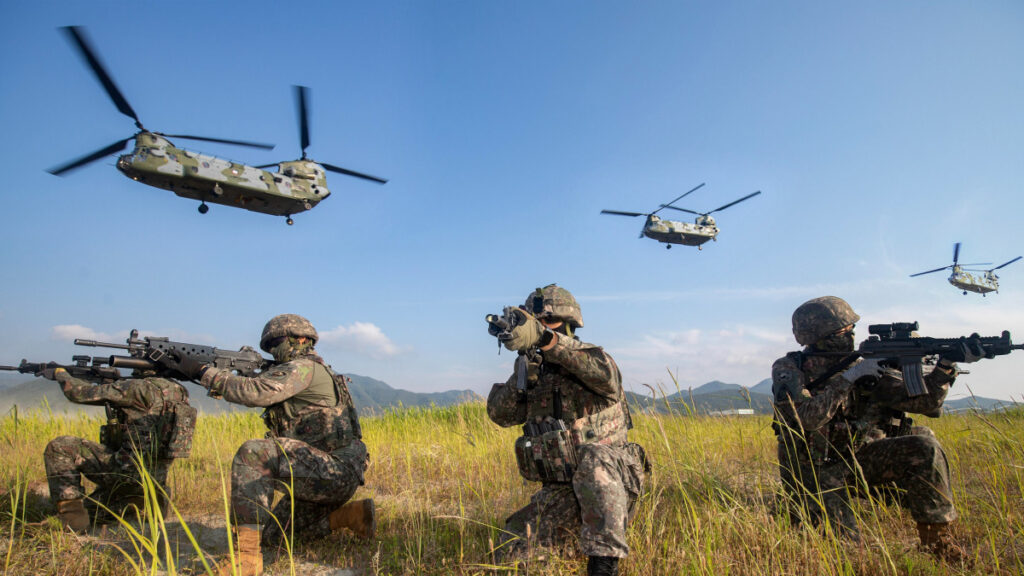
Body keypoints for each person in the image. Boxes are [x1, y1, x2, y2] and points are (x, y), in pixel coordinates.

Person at [160, 314, 372, 576]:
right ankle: (352, 516)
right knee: (274, 536)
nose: (273, 349)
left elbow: (255, 392)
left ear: (301, 339)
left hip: (332, 472)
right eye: (268, 346)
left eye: (277, 342)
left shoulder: (303, 368)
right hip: (330, 473)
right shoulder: (314, 369)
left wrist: (201, 372)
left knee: (255, 453)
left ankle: (246, 560)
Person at [772, 296, 976, 562]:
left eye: (851, 329)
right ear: (818, 336)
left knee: (923, 443)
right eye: (842, 331)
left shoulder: (864, 364)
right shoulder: (790, 368)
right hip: (815, 469)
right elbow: (806, 419)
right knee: (843, 552)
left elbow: (926, 404)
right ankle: (792, 508)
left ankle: (936, 542)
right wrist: (848, 379)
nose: (851, 335)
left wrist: (944, 368)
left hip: (861, 459)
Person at [486, 284, 648, 576]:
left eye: (548, 321)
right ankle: (573, 539)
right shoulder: (536, 373)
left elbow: (607, 376)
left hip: (613, 486)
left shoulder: (592, 361)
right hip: (563, 490)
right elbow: (500, 415)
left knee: (595, 458)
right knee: (509, 554)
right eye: (535, 323)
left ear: (569, 324)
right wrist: (522, 379)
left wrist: (546, 339)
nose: (541, 327)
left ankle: (603, 563)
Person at [42, 365, 195, 532]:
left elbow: (78, 393)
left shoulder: (138, 388)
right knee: (92, 509)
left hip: (125, 475)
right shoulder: (180, 392)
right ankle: (142, 503)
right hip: (154, 481)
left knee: (60, 446)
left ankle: (72, 520)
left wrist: (61, 373)